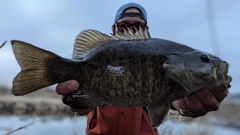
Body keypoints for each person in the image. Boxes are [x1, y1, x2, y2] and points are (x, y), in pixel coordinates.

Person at [56, 2, 228, 135]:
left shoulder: (167, 69)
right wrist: (78, 100)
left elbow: (172, 103)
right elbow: (82, 102)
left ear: (146, 30)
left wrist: (185, 107)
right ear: (114, 30)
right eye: (124, 26)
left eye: (138, 27)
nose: (131, 30)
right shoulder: (100, 54)